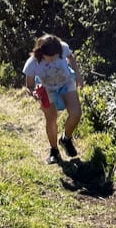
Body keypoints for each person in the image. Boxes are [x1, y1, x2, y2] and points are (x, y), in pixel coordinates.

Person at [23, 34, 84, 164]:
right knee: (51, 119)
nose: (52, 60)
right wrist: (34, 93)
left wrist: (78, 74)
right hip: (46, 88)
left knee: (76, 114)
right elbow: (29, 85)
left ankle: (66, 139)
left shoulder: (63, 48)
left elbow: (71, 58)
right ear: (41, 53)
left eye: (55, 57)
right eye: (48, 57)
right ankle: (54, 150)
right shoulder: (32, 63)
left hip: (66, 83)